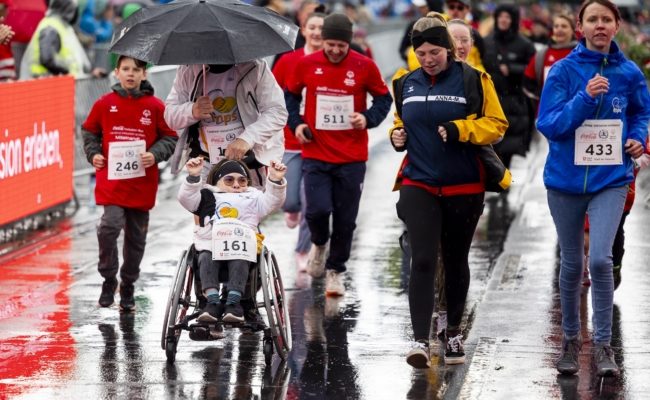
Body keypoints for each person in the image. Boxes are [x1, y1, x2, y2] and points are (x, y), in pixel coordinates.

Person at [536, 0, 650, 377]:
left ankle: (603, 346)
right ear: (580, 26)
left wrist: (636, 139)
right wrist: (585, 97)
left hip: (611, 179)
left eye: (606, 19)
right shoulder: (563, 71)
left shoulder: (630, 73)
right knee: (572, 262)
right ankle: (571, 341)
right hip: (566, 182)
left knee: (600, 259)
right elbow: (549, 124)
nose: (600, 25)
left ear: (616, 26)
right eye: (593, 20)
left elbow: (640, 113)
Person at [389, 12, 507, 368]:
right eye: (421, 53)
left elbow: (497, 126)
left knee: (455, 261)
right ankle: (420, 340)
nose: (428, 59)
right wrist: (396, 137)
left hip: (464, 184)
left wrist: (461, 130)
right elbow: (402, 123)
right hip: (418, 182)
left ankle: (453, 331)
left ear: (449, 50)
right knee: (422, 259)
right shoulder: (405, 82)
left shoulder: (473, 79)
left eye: (435, 53)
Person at [285, 13, 392, 296]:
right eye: (330, 44)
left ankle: (336, 271)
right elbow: (290, 96)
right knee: (317, 210)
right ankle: (319, 244)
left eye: (340, 46)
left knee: (346, 219)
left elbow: (384, 98)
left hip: (352, 155)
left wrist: (367, 118)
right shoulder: (307, 64)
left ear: (349, 42)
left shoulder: (364, 66)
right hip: (316, 151)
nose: (334, 50)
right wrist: (297, 124)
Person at [82, 55, 178, 311]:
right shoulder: (105, 104)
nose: (130, 74)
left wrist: (154, 154)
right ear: (116, 72)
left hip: (141, 185)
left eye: (136, 70)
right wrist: (94, 154)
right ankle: (108, 277)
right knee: (108, 228)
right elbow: (89, 131)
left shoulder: (155, 106)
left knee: (136, 239)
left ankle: (128, 284)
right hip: (112, 183)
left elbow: (170, 137)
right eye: (125, 69)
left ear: (144, 74)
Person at [177, 157, 287, 322]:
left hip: (241, 247)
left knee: (240, 258)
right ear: (217, 181)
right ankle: (212, 302)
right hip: (211, 245)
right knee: (205, 256)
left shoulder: (254, 197)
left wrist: (275, 180)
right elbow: (186, 199)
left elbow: (273, 202)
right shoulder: (206, 195)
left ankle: (234, 304)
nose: (236, 185)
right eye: (229, 180)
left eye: (242, 181)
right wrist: (193, 177)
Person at [164, 59, 287, 185]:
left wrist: (247, 139)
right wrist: (192, 110)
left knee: (249, 204)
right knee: (207, 204)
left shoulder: (255, 66)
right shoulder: (189, 68)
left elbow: (277, 111)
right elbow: (170, 116)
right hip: (205, 164)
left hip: (246, 162)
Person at [272, 10, 325, 272]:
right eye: (311, 27)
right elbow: (273, 96)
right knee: (292, 201)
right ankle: (291, 209)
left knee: (312, 203)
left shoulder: (330, 62)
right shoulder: (287, 60)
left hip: (321, 144)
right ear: (303, 31)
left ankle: (303, 249)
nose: (316, 33)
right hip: (291, 142)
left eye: (321, 28)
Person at [482, 4, 536, 169]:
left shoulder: (525, 44)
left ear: (513, 20)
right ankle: (497, 181)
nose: (503, 20)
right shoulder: (487, 42)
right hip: (491, 99)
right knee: (492, 144)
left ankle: (504, 185)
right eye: (501, 16)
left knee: (510, 145)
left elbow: (533, 70)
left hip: (515, 102)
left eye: (507, 17)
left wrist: (513, 69)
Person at [19, 0, 94, 79]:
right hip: (47, 84)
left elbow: (76, 59)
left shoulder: (64, 27)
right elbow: (47, 59)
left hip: (61, 84)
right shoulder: (51, 27)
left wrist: (91, 72)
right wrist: (67, 72)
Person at [523, 13, 577, 110]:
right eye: (556, 26)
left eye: (564, 26)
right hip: (547, 112)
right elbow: (528, 83)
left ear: (572, 31)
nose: (559, 29)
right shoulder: (542, 54)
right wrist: (542, 96)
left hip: (575, 112)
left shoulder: (580, 54)